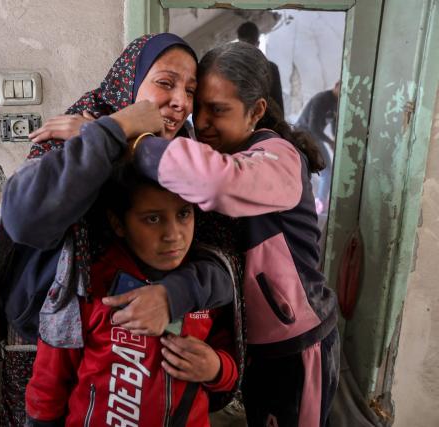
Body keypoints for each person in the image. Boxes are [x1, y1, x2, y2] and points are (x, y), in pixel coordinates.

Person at [0, 33, 243, 425]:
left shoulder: (189, 159)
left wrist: (175, 295)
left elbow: (225, 265)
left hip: (154, 359)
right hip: (51, 345)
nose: (181, 102)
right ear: (129, 83)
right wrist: (114, 129)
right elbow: (24, 219)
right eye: (165, 83)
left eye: (190, 90)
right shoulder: (83, 129)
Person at [106, 41, 340, 427]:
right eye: (200, 110)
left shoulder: (278, 155)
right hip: (258, 344)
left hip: (298, 343)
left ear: (256, 111)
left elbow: (217, 184)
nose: (204, 122)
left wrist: (134, 139)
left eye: (218, 110)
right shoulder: (224, 150)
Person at [24, 165, 238, 426]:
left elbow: (231, 361)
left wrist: (216, 368)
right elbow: (50, 378)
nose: (173, 235)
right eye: (153, 219)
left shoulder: (207, 286)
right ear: (118, 224)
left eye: (184, 214)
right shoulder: (90, 285)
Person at [295, 81, 341, 214]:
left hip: (311, 136)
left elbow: (334, 125)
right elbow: (313, 128)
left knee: (320, 171)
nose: (344, 94)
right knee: (326, 170)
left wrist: (336, 140)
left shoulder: (338, 102)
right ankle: (319, 203)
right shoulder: (321, 99)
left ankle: (318, 201)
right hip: (303, 134)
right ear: (336, 86)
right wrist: (330, 142)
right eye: (342, 89)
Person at [237, 21, 285, 116]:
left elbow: (278, 107)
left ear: (257, 44)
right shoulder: (235, 69)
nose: (245, 51)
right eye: (243, 46)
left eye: (248, 45)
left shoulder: (270, 69)